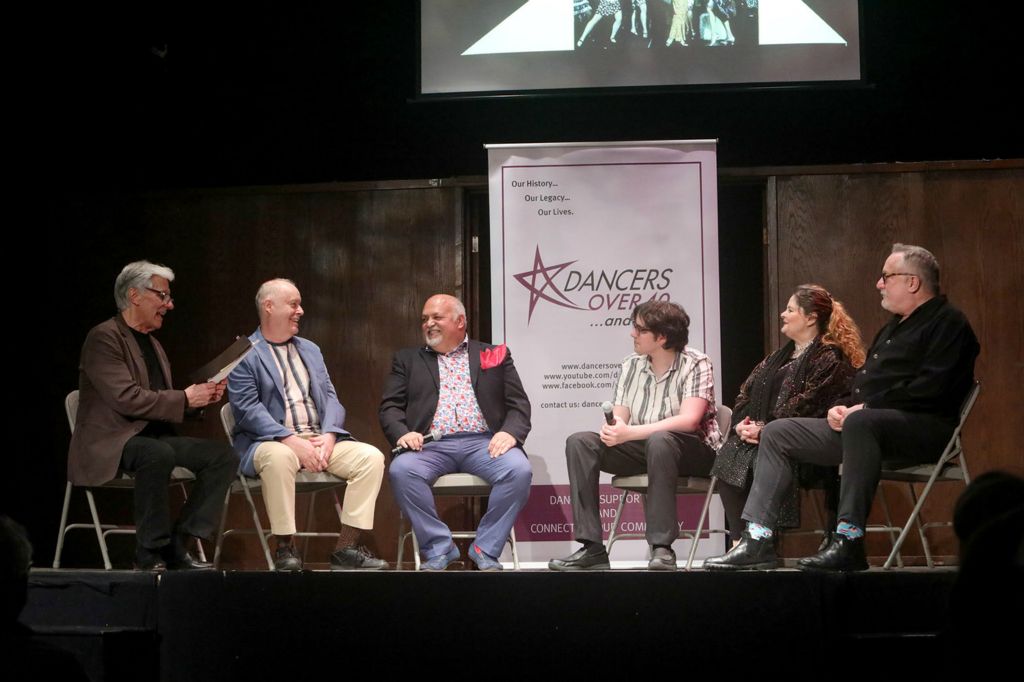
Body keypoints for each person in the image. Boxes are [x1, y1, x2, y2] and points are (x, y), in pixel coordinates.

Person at [705, 244, 979, 571]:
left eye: (886, 277)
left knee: (860, 423)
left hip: (922, 429)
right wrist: (841, 407)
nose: (879, 283)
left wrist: (863, 408)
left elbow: (931, 388)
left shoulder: (949, 323)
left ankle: (848, 540)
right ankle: (758, 540)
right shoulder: (893, 327)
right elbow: (864, 386)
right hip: (866, 427)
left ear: (912, 282)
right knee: (778, 432)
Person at [67, 261, 236, 570]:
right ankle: (148, 552)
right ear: (134, 295)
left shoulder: (154, 344)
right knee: (155, 453)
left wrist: (197, 401)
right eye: (162, 295)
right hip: (112, 441)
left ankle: (179, 542)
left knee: (222, 455)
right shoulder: (103, 338)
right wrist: (184, 397)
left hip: (152, 438)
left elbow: (158, 402)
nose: (168, 305)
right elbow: (126, 399)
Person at [549, 300, 723, 571]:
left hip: (691, 451)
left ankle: (662, 547)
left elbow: (689, 421)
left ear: (662, 337)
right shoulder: (631, 365)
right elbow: (621, 416)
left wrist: (629, 433)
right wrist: (614, 428)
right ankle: (592, 548)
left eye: (640, 330)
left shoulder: (696, 363)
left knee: (661, 440)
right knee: (580, 442)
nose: (633, 334)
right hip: (644, 447)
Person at [228, 279, 387, 571]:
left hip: (318, 439)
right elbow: (247, 410)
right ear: (268, 306)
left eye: (299, 304)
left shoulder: (310, 350)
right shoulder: (244, 354)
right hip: (270, 443)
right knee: (279, 457)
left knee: (370, 457)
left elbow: (331, 398)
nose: (300, 311)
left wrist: (328, 436)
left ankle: (346, 548)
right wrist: (290, 440)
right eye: (293, 304)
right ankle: (285, 547)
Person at [380, 294, 532, 571]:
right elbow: (390, 407)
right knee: (401, 471)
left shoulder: (492, 354)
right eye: (425, 319)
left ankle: (485, 547)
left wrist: (510, 432)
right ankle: (440, 548)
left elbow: (518, 405)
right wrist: (402, 433)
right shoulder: (407, 360)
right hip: (429, 446)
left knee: (518, 470)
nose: (429, 324)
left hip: (484, 444)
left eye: (436, 317)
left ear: (460, 321)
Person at [713, 284, 863, 547]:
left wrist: (765, 428)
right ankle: (739, 540)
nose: (783, 314)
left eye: (790, 309)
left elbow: (809, 404)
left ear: (811, 318)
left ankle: (761, 541)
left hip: (803, 444)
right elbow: (744, 395)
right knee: (730, 454)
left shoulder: (829, 357)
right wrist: (742, 426)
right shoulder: (777, 358)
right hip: (763, 436)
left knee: (759, 454)